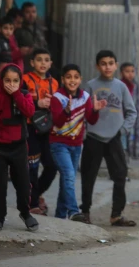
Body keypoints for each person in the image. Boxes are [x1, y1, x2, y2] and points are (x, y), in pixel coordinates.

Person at [75, 50, 138, 227]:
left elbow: (132, 112)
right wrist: (85, 132)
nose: (107, 67)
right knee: (88, 176)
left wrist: (123, 130)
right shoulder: (90, 86)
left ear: (116, 65)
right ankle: (85, 212)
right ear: (97, 66)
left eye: (111, 63)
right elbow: (83, 112)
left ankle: (116, 215)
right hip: (93, 138)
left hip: (114, 138)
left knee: (120, 175)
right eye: (103, 63)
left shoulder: (121, 87)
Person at [0, 64, 38, 233]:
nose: (11, 84)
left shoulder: (24, 96)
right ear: (1, 81)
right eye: (7, 80)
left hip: (19, 148)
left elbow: (29, 112)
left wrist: (17, 95)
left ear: (20, 82)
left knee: (23, 183)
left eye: (15, 81)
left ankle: (25, 213)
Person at [49, 64, 105, 219]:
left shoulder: (85, 97)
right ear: (62, 79)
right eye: (68, 77)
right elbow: (58, 122)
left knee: (67, 178)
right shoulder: (57, 98)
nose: (72, 80)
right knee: (68, 175)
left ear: (80, 79)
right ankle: (73, 211)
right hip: (59, 144)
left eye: (75, 77)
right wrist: (66, 111)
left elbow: (91, 121)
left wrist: (95, 110)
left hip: (76, 146)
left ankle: (60, 216)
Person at [22, 48, 58, 215]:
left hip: (47, 129)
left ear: (51, 63)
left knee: (51, 167)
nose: (43, 63)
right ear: (32, 63)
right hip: (30, 128)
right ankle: (33, 204)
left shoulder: (55, 83)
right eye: (39, 60)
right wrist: (38, 104)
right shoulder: (25, 80)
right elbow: (20, 103)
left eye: (46, 60)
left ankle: (36, 194)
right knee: (32, 167)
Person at [119, 63, 139, 160]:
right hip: (121, 116)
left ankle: (130, 154)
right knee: (123, 137)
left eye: (132, 71)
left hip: (131, 115)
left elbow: (137, 101)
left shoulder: (135, 85)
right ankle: (123, 156)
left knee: (132, 136)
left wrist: (137, 115)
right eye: (127, 71)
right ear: (121, 73)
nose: (130, 74)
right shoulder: (119, 85)